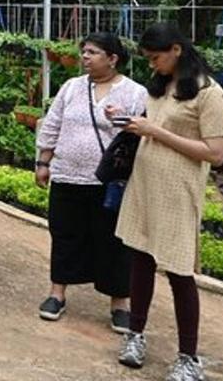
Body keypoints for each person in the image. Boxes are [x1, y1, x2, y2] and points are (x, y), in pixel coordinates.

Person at [115, 23, 223, 381]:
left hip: (178, 193)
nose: (153, 65)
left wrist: (155, 131)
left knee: (180, 273)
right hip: (145, 185)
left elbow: (216, 153)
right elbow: (155, 128)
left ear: (177, 50)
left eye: (156, 58)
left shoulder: (209, 94)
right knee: (140, 260)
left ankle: (188, 357)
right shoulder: (161, 88)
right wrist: (132, 124)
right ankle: (135, 336)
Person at [34, 32, 144, 332]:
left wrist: (121, 118)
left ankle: (119, 302)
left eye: (93, 52)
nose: (85, 57)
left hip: (108, 183)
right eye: (84, 51)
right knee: (65, 233)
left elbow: (143, 134)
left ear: (113, 58)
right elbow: (53, 124)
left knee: (114, 241)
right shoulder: (71, 87)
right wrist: (44, 162)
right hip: (68, 175)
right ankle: (57, 293)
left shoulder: (134, 93)